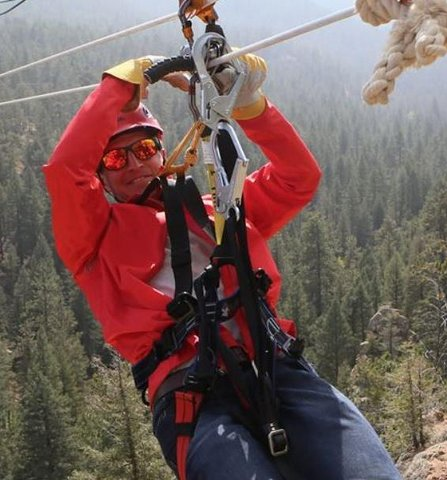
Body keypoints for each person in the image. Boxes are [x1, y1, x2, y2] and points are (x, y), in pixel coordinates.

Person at [43, 54, 401, 480]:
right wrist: (122, 83)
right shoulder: (93, 242)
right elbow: (67, 171)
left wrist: (252, 107)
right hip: (192, 396)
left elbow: (298, 177)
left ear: (162, 150)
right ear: (101, 175)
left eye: (143, 149)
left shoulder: (221, 208)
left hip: (275, 364)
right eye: (118, 160)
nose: (136, 164)